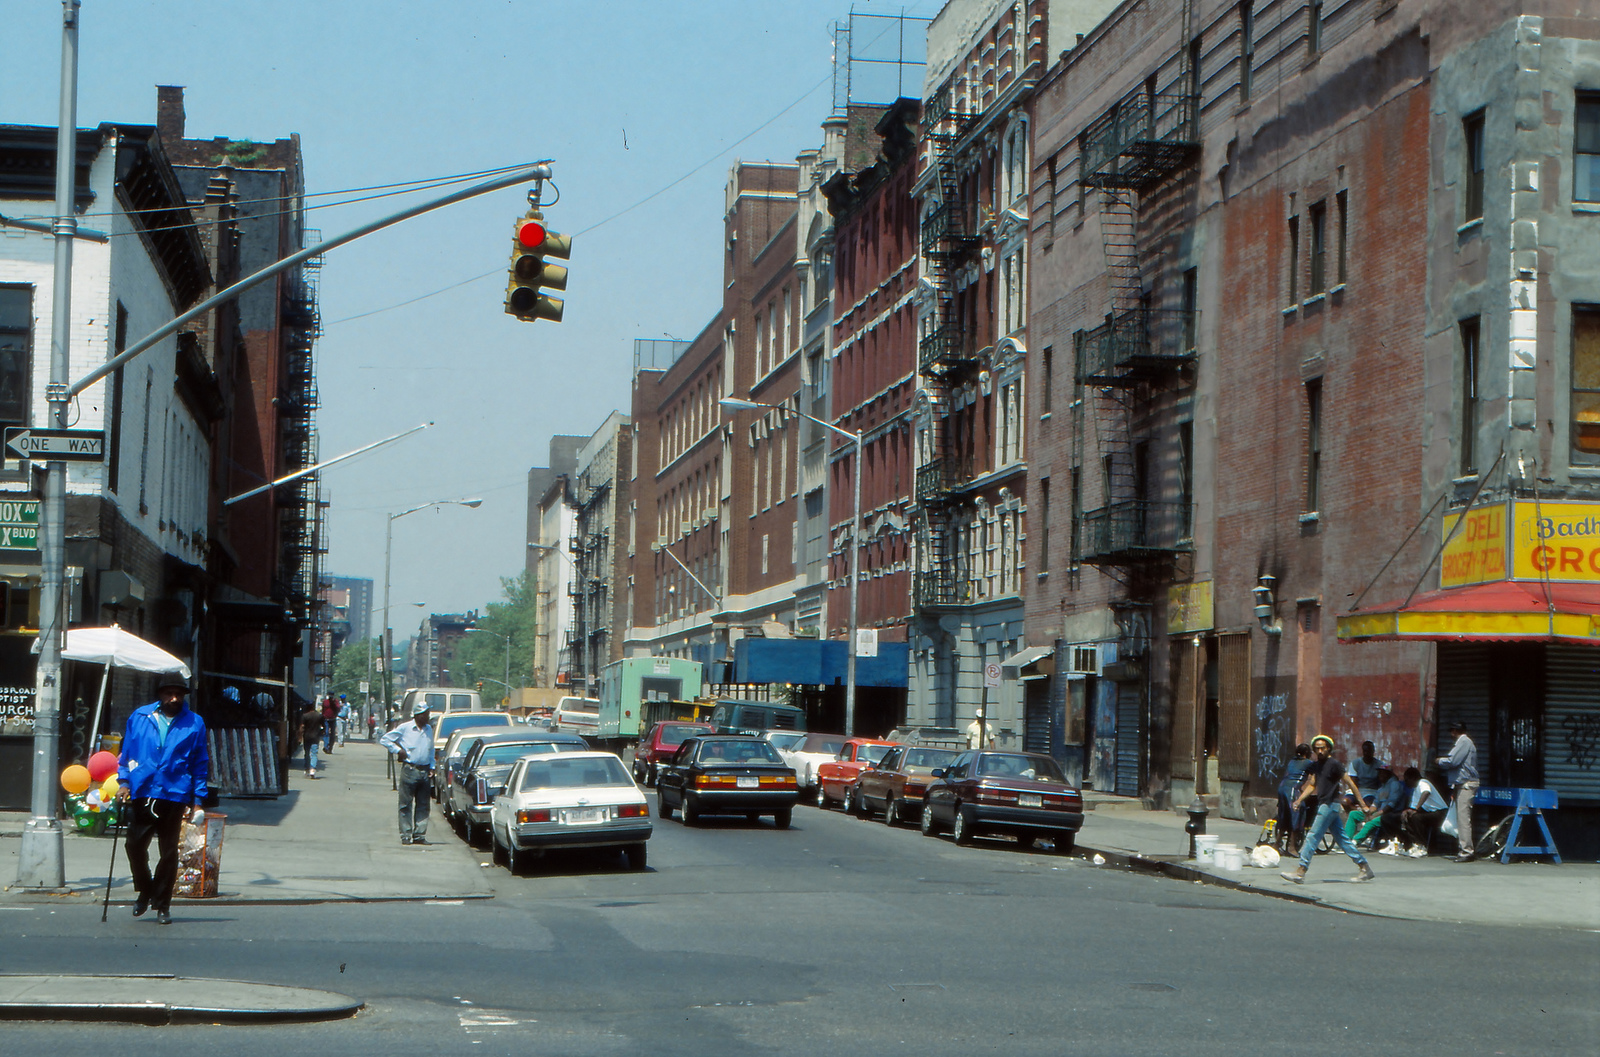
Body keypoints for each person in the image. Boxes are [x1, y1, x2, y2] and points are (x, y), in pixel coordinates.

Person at [113, 675, 209, 925]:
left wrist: (198, 800)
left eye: (178, 694)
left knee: (168, 853)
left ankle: (163, 905)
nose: (174, 699)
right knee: (134, 846)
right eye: (169, 693)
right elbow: (127, 753)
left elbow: (200, 763)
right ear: (160, 695)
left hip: (174, 793)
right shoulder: (140, 717)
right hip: (143, 790)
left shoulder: (194, 723)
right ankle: (146, 889)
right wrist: (123, 782)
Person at [1280, 735, 1376, 884]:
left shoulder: (1335, 765)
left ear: (1328, 749)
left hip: (1330, 805)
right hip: (1325, 804)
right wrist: (1299, 799)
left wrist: (1362, 804)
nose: (1319, 751)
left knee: (1312, 836)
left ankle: (1301, 870)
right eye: (1317, 748)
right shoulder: (1317, 765)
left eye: (1322, 748)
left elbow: (1350, 783)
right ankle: (1364, 867)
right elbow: (1312, 784)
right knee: (1342, 839)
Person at [380, 701, 435, 845]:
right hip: (410, 769)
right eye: (425, 714)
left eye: (428, 714)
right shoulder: (405, 728)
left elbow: (431, 749)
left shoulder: (429, 729)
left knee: (423, 804)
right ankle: (405, 834)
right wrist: (398, 750)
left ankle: (419, 835)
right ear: (418, 715)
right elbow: (385, 739)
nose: (428, 717)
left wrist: (432, 766)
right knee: (405, 804)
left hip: (424, 770)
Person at [1437, 721, 1480, 862]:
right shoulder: (1464, 742)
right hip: (1461, 784)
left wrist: (1438, 761)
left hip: (1466, 784)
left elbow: (1453, 761)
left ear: (1455, 731)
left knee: (1463, 819)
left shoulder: (1464, 742)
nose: (1451, 734)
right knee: (1461, 818)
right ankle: (1464, 848)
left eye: (1452, 731)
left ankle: (1466, 851)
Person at [1397, 765, 1449, 857]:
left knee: (1416, 818)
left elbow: (1426, 792)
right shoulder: (1415, 789)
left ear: (1413, 778)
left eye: (1407, 780)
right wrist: (1407, 811)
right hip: (1430, 813)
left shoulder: (1423, 782)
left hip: (1440, 813)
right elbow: (1412, 808)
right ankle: (1411, 844)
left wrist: (1416, 809)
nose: (1406, 783)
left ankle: (1422, 845)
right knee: (1407, 817)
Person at [1273, 744, 1315, 851]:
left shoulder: (1291, 761)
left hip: (1282, 788)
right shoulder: (1308, 763)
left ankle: (1277, 843)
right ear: (1307, 754)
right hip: (1292, 789)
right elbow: (1315, 777)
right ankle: (1292, 847)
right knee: (1298, 813)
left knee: (1284, 815)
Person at [299, 702, 324, 778]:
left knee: (307, 753)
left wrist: (300, 736)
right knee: (314, 753)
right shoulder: (319, 716)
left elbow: (302, 727)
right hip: (315, 737)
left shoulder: (305, 716)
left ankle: (307, 769)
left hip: (306, 737)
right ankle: (312, 769)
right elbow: (323, 726)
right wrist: (321, 732)